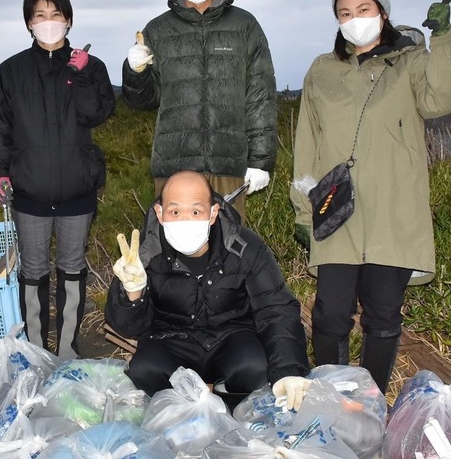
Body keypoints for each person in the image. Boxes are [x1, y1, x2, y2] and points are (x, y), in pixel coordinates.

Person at [290, 0, 451, 394]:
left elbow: (444, 98)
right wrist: (302, 207)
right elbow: (307, 142)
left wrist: (442, 39)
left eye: (363, 8)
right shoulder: (322, 69)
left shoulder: (409, 62)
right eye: (345, 13)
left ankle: (370, 403)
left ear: (383, 12)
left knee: (383, 314)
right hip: (336, 210)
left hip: (393, 210)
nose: (354, 20)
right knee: (330, 313)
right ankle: (334, 399)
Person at [0, 0, 116, 358]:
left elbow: (97, 113)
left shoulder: (91, 67)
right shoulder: (11, 72)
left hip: (78, 187)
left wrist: (83, 76)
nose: (48, 22)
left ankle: (69, 350)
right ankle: (37, 351)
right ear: (28, 22)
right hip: (30, 189)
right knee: (34, 270)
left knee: (73, 268)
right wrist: (0, 172)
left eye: (56, 14)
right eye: (40, 15)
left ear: (69, 20)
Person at [105, 170, 310, 406]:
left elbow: (275, 307)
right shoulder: (144, 252)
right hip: (170, 337)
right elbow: (127, 326)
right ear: (159, 214)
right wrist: (133, 293)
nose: (185, 221)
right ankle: (173, 414)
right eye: (174, 212)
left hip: (231, 336)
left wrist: (288, 370)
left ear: (213, 212)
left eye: (195, 211)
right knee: (143, 369)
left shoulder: (244, 246)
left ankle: (233, 411)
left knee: (254, 367)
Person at [121, 0, 277, 222]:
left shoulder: (245, 25)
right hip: (174, 167)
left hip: (229, 167)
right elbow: (142, 101)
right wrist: (135, 72)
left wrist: (260, 161)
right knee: (174, 257)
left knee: (229, 255)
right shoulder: (158, 29)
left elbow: (260, 97)